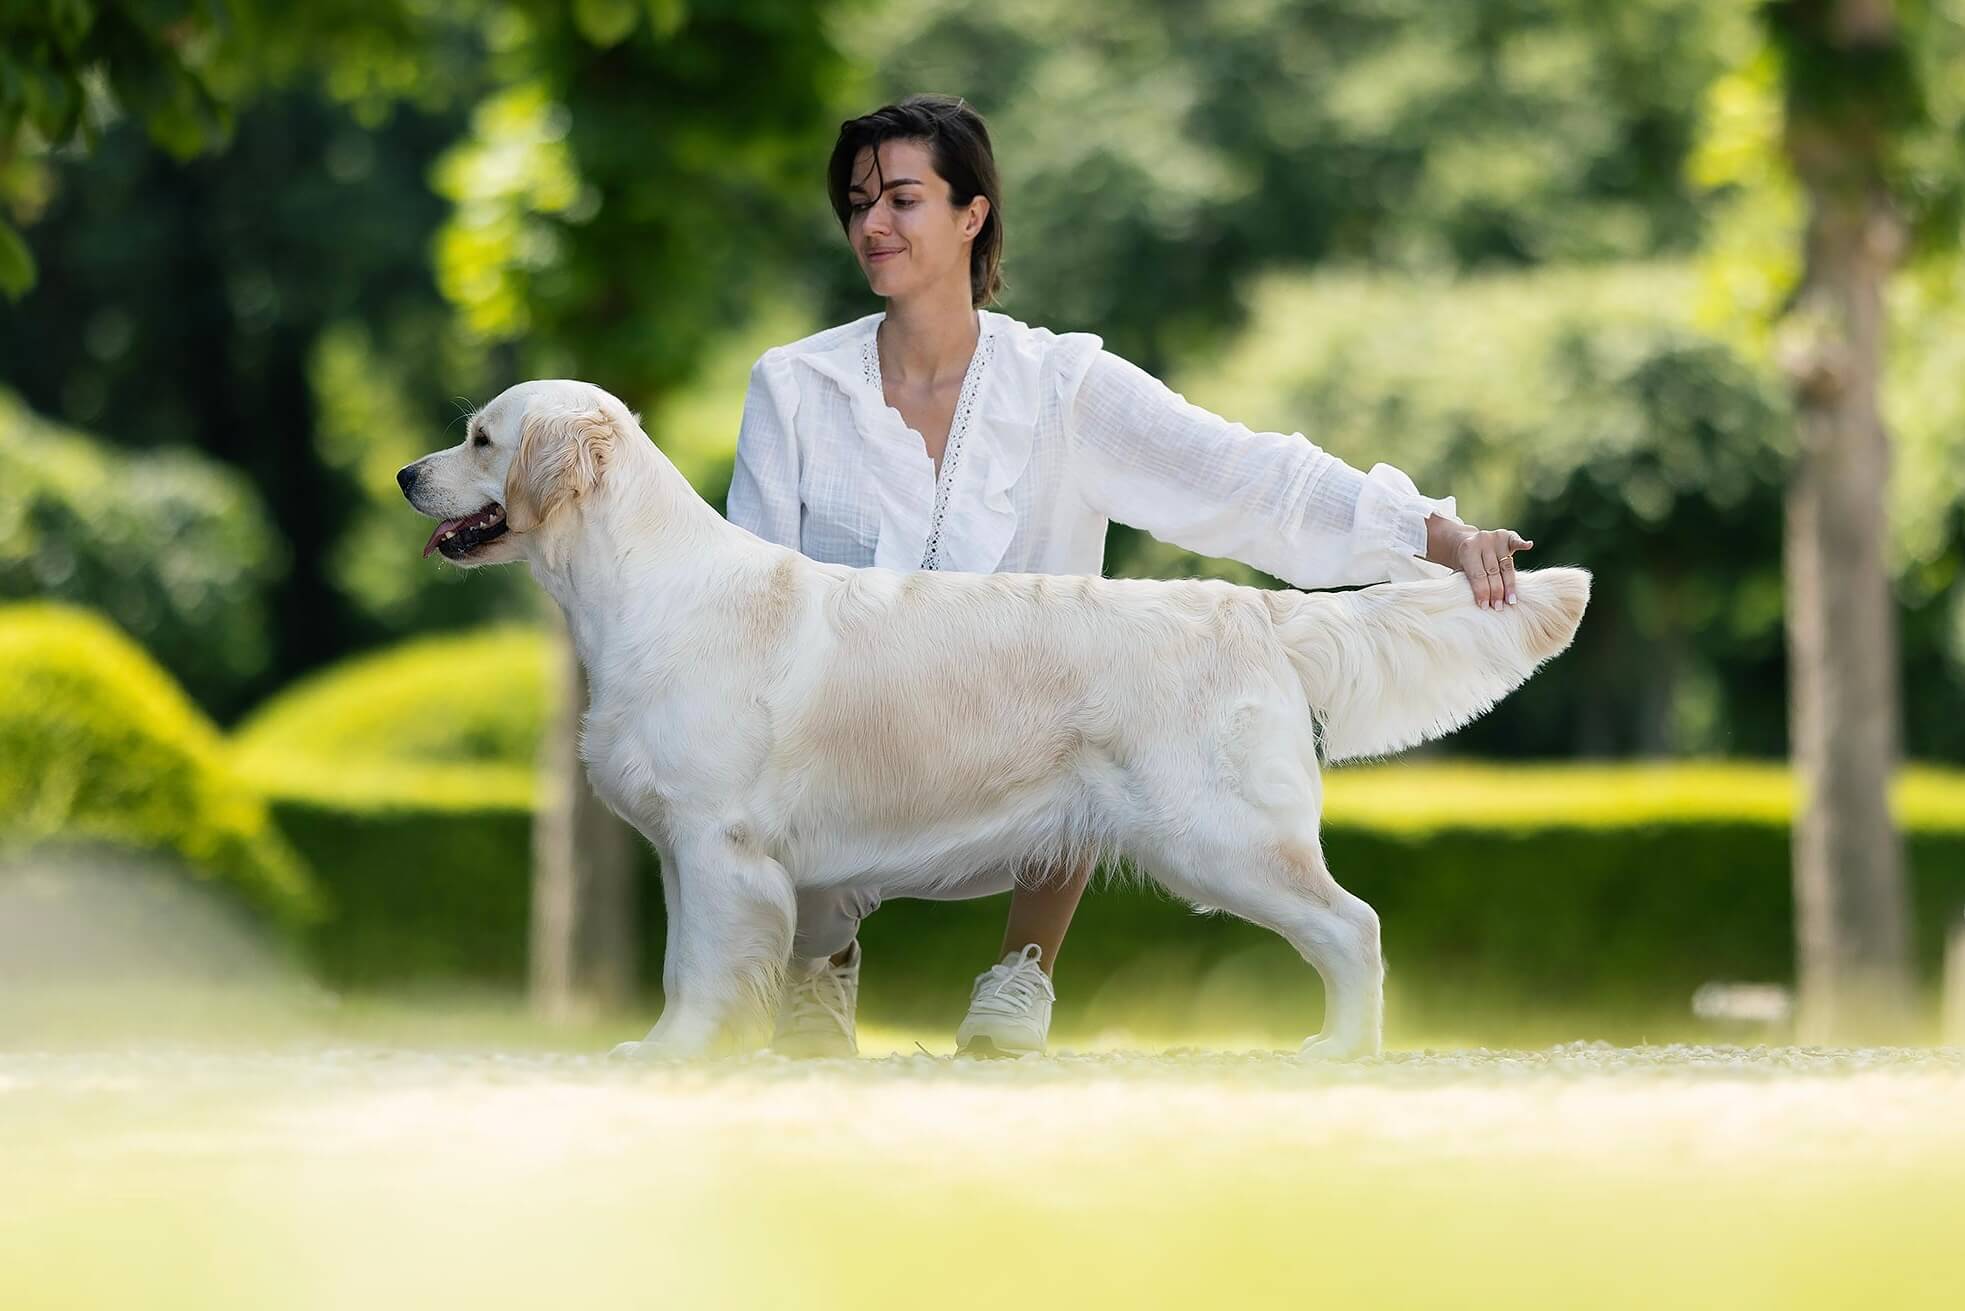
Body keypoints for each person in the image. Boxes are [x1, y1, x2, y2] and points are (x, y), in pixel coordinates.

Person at [727, 94, 1531, 1058]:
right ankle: (816, 965)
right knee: (775, 787)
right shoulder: (793, 386)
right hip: (847, 762)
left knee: (1102, 668)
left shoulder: (1062, 383)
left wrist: (1433, 534)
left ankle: (1021, 974)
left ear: (971, 212)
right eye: (857, 204)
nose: (872, 225)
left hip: (1031, 767)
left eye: (903, 198)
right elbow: (752, 599)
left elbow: (1242, 472)